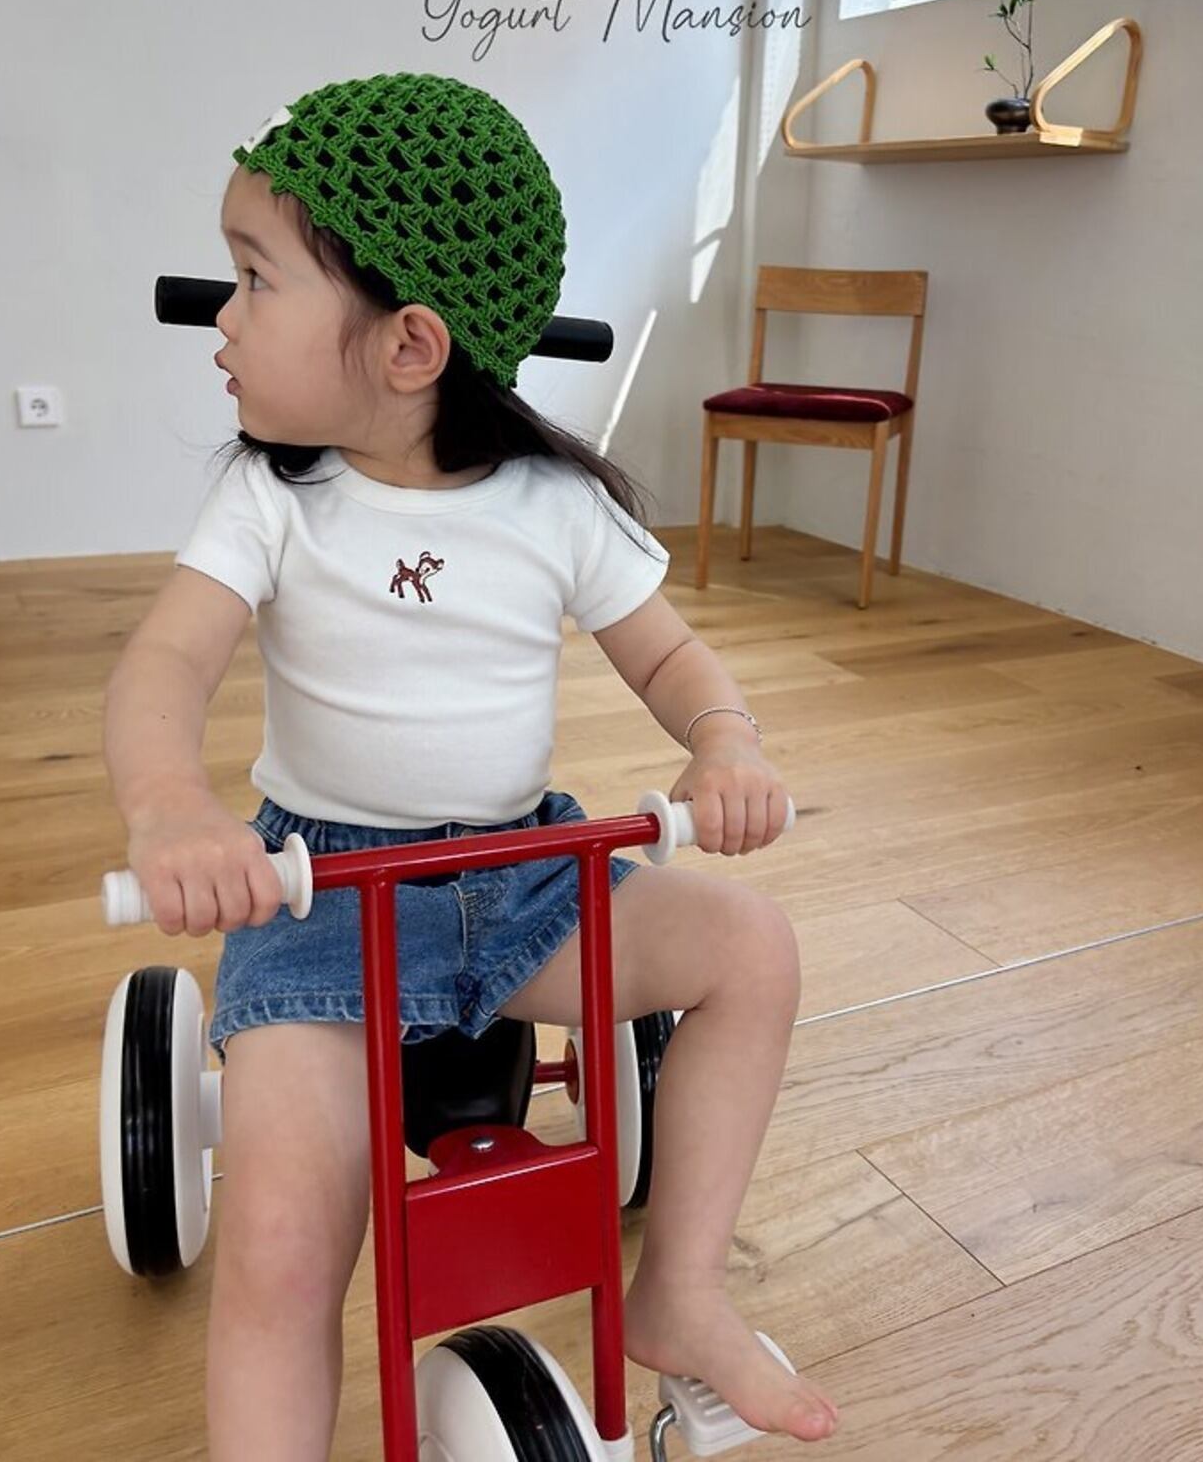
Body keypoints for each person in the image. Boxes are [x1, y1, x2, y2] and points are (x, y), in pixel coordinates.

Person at [103, 71, 838, 1459]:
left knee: (755, 949)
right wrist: (172, 806)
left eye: (253, 280)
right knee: (278, 1249)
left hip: (520, 880)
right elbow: (164, 668)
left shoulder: (556, 504)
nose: (222, 318)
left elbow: (672, 659)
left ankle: (681, 1288)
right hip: (318, 901)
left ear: (408, 345)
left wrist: (725, 738)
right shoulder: (270, 497)